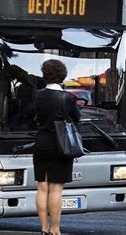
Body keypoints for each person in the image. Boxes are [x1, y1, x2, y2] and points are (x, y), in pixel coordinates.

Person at [32, 59, 80, 235]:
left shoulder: (37, 95)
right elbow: (77, 118)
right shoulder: (68, 98)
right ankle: (55, 228)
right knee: (56, 189)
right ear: (63, 76)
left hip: (41, 143)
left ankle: (43, 228)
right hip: (61, 145)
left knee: (42, 187)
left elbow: (32, 115)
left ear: (45, 75)